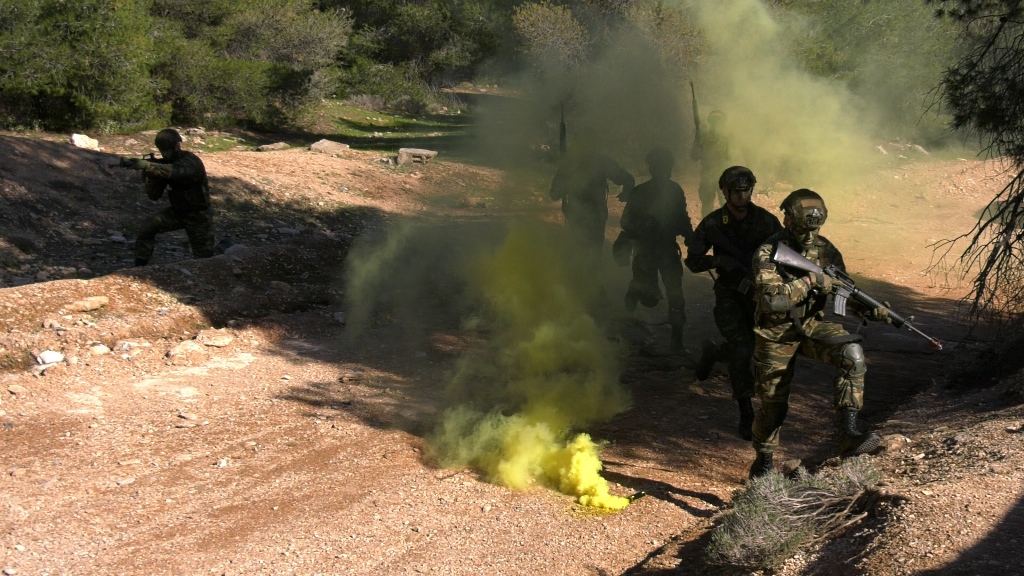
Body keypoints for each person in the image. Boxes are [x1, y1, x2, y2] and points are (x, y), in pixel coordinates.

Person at [747, 189, 891, 478]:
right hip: (775, 332)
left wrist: (869, 309)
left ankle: (849, 433)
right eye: (802, 227)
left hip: (811, 325)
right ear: (787, 221)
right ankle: (763, 460)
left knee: (852, 355)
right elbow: (772, 301)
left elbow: (844, 291)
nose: (808, 236)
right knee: (773, 403)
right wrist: (811, 281)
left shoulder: (827, 250)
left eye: (813, 229)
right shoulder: (768, 252)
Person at [684, 166, 782, 440]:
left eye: (745, 190)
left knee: (759, 346)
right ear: (724, 192)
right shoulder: (714, 224)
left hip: (760, 295)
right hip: (729, 295)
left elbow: (786, 255)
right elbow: (692, 261)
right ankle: (746, 411)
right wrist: (719, 261)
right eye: (735, 191)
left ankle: (715, 353)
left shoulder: (766, 221)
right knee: (742, 351)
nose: (741, 196)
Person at [619, 148, 694, 353]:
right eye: (659, 166)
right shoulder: (640, 192)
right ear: (652, 168)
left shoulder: (675, 190)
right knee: (649, 298)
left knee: (676, 296)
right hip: (645, 251)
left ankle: (677, 342)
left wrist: (691, 238)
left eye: (664, 166)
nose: (662, 170)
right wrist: (644, 225)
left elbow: (682, 217)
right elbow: (626, 222)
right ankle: (634, 295)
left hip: (667, 250)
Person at [122, 128, 214, 266]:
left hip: (198, 216)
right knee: (147, 227)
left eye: (167, 150)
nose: (164, 154)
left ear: (177, 146)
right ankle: (139, 267)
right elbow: (154, 195)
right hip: (178, 212)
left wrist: (149, 166)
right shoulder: (163, 165)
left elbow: (175, 172)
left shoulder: (191, 161)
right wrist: (152, 176)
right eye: (162, 150)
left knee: (205, 260)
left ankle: (224, 249)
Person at [549, 148, 635, 264]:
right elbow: (628, 179)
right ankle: (591, 276)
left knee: (581, 252)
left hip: (581, 215)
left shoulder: (571, 164)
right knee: (591, 252)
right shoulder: (600, 161)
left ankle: (586, 277)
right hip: (591, 215)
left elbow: (554, 194)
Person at [690, 110, 731, 218]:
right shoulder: (723, 139)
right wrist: (697, 141)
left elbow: (694, 157)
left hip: (715, 174)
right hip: (713, 174)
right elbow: (694, 156)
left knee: (720, 205)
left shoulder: (723, 139)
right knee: (713, 205)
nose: (717, 124)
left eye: (718, 122)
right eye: (715, 122)